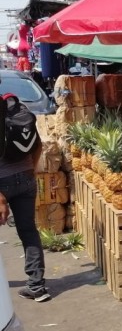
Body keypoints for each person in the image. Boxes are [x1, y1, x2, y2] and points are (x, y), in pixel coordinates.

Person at [0, 84, 48, 302]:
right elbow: (38, 146)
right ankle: (37, 286)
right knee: (29, 232)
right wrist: (31, 170)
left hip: (3, 184)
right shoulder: (19, 113)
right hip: (27, 179)